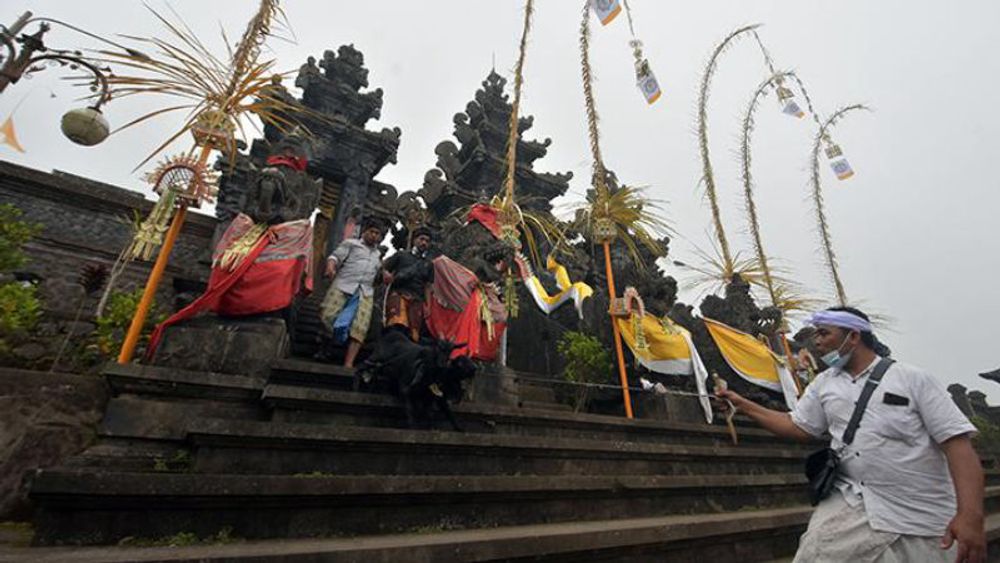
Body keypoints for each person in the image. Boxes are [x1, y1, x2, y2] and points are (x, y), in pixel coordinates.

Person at [717, 306, 985, 563]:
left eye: (824, 333)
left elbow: (957, 446)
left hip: (921, 509)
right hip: (854, 500)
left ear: (853, 336)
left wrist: (970, 516)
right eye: (815, 334)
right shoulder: (824, 384)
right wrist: (742, 404)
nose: (816, 342)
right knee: (816, 552)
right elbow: (798, 425)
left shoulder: (912, 379)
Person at [320, 217, 384, 368]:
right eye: (372, 232)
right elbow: (334, 257)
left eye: (378, 234)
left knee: (360, 329)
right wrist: (330, 267)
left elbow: (378, 277)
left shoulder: (378, 255)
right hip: (343, 285)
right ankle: (325, 349)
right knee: (327, 316)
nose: (375, 236)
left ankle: (348, 363)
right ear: (364, 231)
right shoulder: (351, 244)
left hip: (365, 293)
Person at [381, 226, 435, 341]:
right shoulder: (401, 255)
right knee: (397, 324)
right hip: (399, 294)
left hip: (417, 299)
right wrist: (386, 274)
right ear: (414, 240)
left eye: (427, 241)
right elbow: (383, 267)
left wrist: (428, 306)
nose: (424, 243)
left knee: (414, 333)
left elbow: (428, 286)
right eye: (421, 239)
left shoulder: (429, 264)